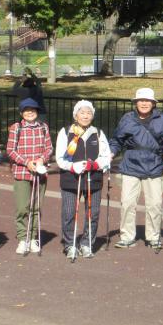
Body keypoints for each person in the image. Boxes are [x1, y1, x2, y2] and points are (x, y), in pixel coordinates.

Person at [109, 88, 163, 249]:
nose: (144, 103)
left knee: (154, 204)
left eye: (148, 101)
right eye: (141, 100)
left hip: (154, 165)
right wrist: (111, 152)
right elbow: (117, 139)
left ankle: (153, 236)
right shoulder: (127, 119)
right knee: (127, 203)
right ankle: (127, 236)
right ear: (135, 103)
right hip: (131, 164)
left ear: (153, 103)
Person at [55, 100, 112, 258]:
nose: (85, 116)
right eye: (82, 112)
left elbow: (106, 156)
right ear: (75, 115)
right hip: (70, 179)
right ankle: (70, 244)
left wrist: (95, 165)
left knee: (92, 213)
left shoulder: (98, 133)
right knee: (69, 213)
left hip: (93, 179)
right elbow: (59, 158)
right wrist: (72, 167)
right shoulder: (66, 132)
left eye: (89, 113)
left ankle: (87, 243)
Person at [6, 97, 52, 256]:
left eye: (32, 110)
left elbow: (49, 148)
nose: (30, 112)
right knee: (22, 207)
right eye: (26, 110)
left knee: (36, 207)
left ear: (37, 111)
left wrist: (41, 159)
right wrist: (26, 162)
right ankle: (22, 238)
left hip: (39, 172)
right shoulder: (16, 128)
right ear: (21, 112)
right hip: (22, 172)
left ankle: (32, 238)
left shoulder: (44, 127)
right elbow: (10, 150)